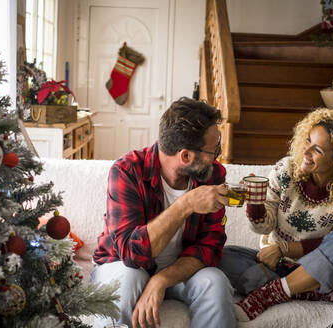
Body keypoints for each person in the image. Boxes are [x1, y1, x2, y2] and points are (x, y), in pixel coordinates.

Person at [218, 108, 333, 321]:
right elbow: (263, 226)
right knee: (221, 256)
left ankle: (270, 294)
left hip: (319, 264)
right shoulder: (286, 170)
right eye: (307, 141)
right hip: (276, 265)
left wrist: (285, 248)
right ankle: (309, 290)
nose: (305, 152)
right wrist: (255, 203)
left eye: (318, 150)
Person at [91, 97, 236, 328]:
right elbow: (132, 254)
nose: (217, 156)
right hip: (123, 265)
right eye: (213, 150)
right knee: (130, 278)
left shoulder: (213, 175)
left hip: (178, 272)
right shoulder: (127, 171)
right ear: (186, 156)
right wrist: (185, 205)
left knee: (215, 281)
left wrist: (160, 280)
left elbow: (210, 247)